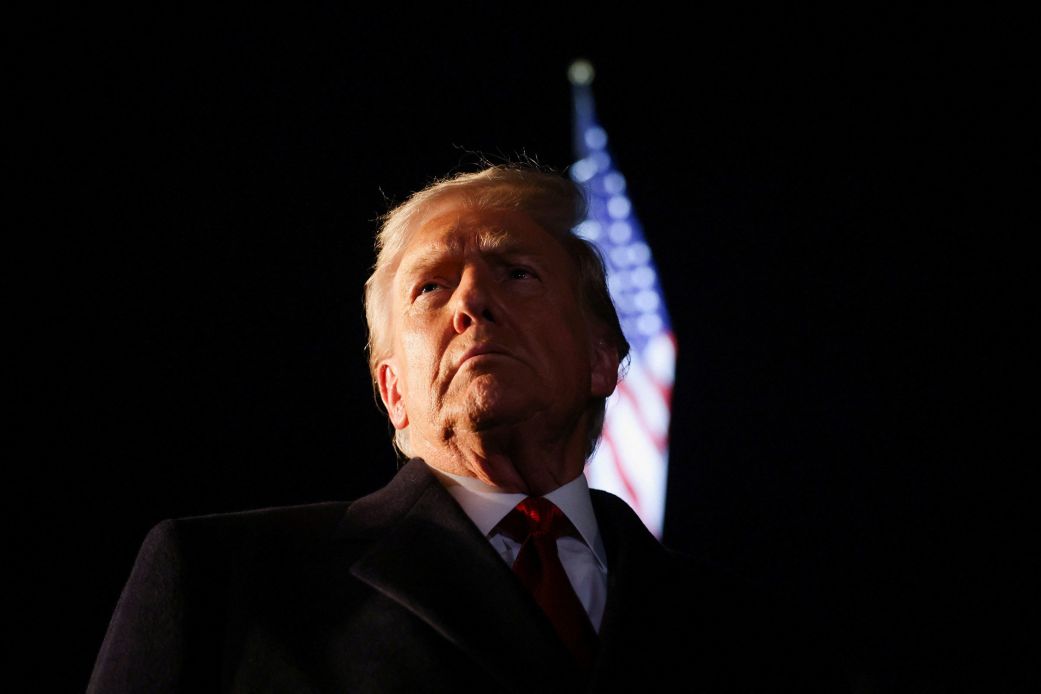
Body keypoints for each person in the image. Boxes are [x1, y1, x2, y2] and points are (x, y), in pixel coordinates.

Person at [88, 164, 842, 693]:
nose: (472, 304)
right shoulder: (226, 580)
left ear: (602, 359)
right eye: (431, 287)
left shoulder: (749, 632)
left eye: (516, 271)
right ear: (393, 393)